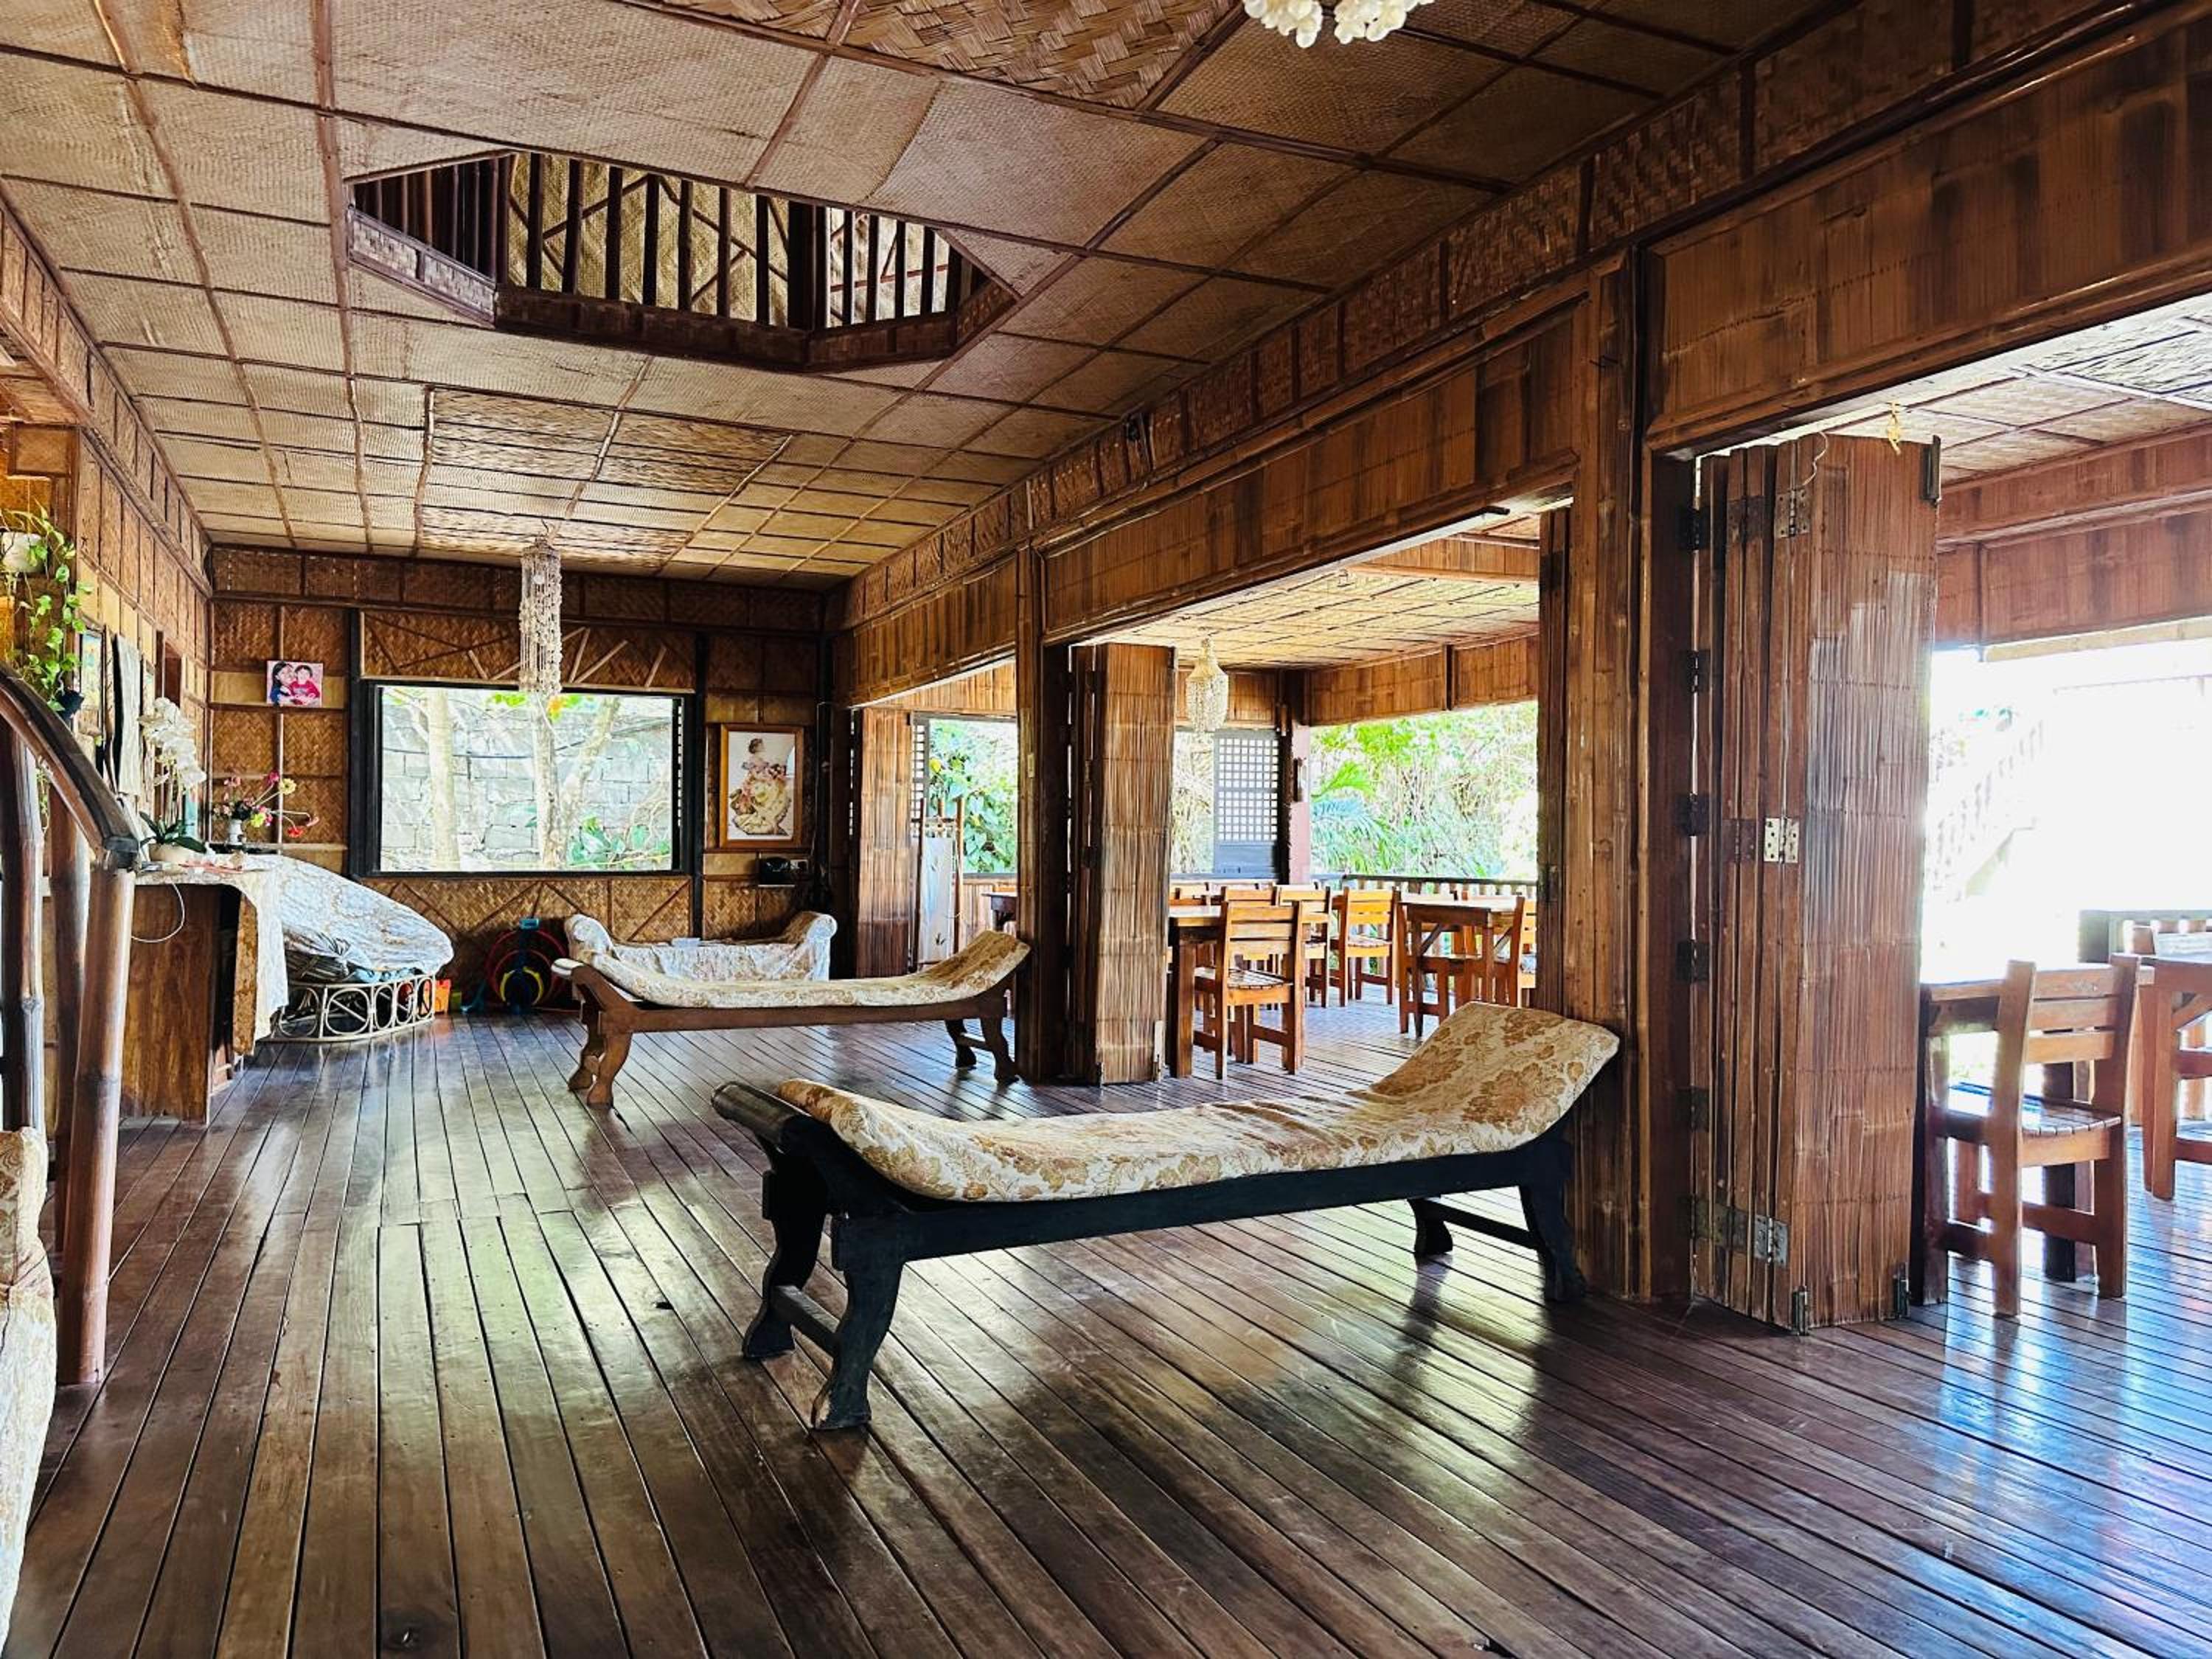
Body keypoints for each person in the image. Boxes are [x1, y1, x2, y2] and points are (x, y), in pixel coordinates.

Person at [728, 736, 791, 838]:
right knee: (769, 791)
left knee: (777, 788)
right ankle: (767, 819)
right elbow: (755, 775)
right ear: (756, 747)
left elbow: (765, 771)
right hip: (755, 783)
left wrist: (771, 776)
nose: (763, 746)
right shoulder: (752, 760)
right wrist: (766, 779)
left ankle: (772, 819)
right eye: (761, 745)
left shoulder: (761, 759)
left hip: (762, 781)